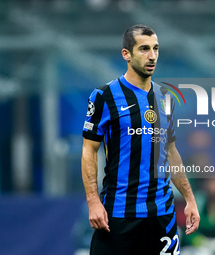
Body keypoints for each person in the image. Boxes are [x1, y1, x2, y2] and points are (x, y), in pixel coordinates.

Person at [81, 24, 200, 255]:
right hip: (118, 215)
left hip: (161, 215)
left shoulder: (165, 97)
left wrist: (189, 199)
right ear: (126, 54)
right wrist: (93, 202)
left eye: (156, 49)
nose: (152, 56)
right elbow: (89, 150)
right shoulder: (104, 97)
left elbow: (171, 152)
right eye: (144, 49)